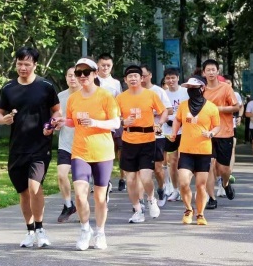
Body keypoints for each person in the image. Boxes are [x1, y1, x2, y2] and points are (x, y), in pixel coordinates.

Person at [0, 46, 60, 248]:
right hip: (17, 147)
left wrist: (52, 125)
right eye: (19, 64)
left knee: (34, 187)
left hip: (40, 146)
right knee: (23, 191)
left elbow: (57, 111)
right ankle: (30, 231)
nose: (23, 68)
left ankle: (40, 229)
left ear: (35, 65)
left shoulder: (46, 86)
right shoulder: (8, 88)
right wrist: (3, 120)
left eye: (27, 64)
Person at [53, 57, 120, 250]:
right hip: (80, 151)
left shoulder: (106, 96)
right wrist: (63, 122)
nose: (82, 76)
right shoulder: (73, 98)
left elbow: (116, 123)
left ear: (95, 73)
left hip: (102, 153)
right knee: (81, 195)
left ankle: (100, 232)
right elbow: (73, 121)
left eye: (86, 72)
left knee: (100, 197)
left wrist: (95, 123)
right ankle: (84, 230)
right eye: (78, 73)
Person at [117, 65, 168, 222]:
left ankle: (151, 199)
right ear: (125, 80)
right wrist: (123, 121)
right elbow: (114, 117)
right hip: (128, 140)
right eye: (130, 76)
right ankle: (137, 210)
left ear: (142, 78)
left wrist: (160, 123)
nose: (133, 79)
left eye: (136, 76)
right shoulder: (120, 98)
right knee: (130, 179)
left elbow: (164, 111)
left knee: (146, 177)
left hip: (147, 140)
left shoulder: (150, 95)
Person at [168, 76, 221, 226]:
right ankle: (188, 209)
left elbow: (217, 126)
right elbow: (177, 119)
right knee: (184, 182)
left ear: (202, 88)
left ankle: (200, 214)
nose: (191, 90)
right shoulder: (183, 105)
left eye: (194, 88)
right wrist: (174, 132)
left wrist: (211, 133)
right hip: (186, 150)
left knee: (200, 185)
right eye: (189, 88)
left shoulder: (211, 107)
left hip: (203, 151)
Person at [202, 59, 240, 209]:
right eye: (208, 70)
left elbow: (236, 107)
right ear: (204, 73)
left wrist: (218, 109)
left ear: (218, 72)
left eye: (213, 70)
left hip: (225, 132)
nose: (211, 72)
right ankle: (211, 198)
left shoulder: (226, 88)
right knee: (209, 165)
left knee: (223, 169)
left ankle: (225, 183)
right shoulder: (201, 89)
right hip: (207, 134)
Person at [141, 64, 172, 207]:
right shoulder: (133, 92)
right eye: (140, 76)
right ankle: (142, 199)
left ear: (150, 75)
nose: (142, 79)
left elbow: (169, 110)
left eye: (144, 76)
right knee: (141, 170)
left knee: (157, 168)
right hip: (138, 135)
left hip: (157, 133)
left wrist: (153, 112)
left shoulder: (158, 91)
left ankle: (161, 188)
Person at [96, 53, 125, 192]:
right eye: (103, 65)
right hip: (98, 121)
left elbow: (120, 101)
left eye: (108, 65)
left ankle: (122, 178)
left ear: (112, 66)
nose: (105, 68)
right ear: (98, 65)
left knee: (121, 150)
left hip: (113, 119)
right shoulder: (92, 80)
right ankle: (104, 181)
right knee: (103, 151)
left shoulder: (116, 83)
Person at [55, 67, 79, 223]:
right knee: (61, 175)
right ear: (66, 78)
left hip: (83, 145)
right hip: (65, 143)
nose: (72, 78)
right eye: (70, 75)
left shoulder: (86, 96)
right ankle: (68, 205)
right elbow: (58, 117)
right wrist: (55, 124)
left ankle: (83, 209)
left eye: (75, 76)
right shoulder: (60, 96)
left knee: (80, 182)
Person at [162, 68, 190, 202]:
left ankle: (186, 188)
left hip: (185, 130)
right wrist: (167, 120)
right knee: (172, 161)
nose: (171, 80)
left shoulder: (186, 92)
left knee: (183, 160)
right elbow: (160, 111)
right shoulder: (163, 94)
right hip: (169, 132)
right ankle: (175, 189)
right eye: (168, 78)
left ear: (178, 78)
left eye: (173, 77)